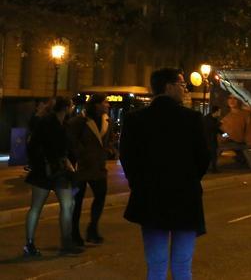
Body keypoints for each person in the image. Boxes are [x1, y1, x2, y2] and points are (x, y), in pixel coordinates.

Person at [121, 68, 210, 280]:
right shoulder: (192, 119)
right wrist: (188, 179)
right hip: (185, 198)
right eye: (182, 84)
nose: (185, 89)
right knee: (182, 266)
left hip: (150, 198)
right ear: (168, 87)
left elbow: (128, 158)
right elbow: (203, 158)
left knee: (156, 265)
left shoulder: (135, 119)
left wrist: (140, 184)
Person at [24, 97, 80, 257]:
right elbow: (40, 146)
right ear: (67, 108)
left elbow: (33, 145)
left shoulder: (51, 123)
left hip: (49, 170)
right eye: (71, 105)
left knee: (46, 206)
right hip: (51, 170)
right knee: (64, 205)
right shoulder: (55, 124)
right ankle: (64, 243)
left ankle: (31, 243)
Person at [67, 95, 111, 245]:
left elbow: (105, 141)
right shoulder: (79, 121)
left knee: (100, 196)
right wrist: (81, 153)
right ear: (96, 105)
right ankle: (74, 233)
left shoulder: (106, 121)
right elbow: (72, 141)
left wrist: (108, 150)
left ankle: (92, 229)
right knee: (77, 202)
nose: (108, 105)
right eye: (105, 102)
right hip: (82, 168)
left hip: (98, 167)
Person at [220, 97, 251, 168]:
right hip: (227, 141)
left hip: (239, 142)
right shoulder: (227, 117)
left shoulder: (246, 114)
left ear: (239, 101)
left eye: (234, 98)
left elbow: (250, 130)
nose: (232, 101)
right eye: (230, 98)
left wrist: (250, 143)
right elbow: (222, 132)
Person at [202, 107, 222, 173]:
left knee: (213, 155)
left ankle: (213, 169)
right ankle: (212, 169)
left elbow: (217, 129)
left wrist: (225, 135)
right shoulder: (207, 118)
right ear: (216, 112)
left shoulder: (214, 119)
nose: (220, 113)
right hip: (207, 140)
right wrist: (220, 124)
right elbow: (211, 127)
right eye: (219, 111)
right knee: (210, 155)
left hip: (212, 140)